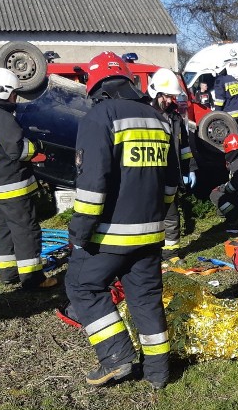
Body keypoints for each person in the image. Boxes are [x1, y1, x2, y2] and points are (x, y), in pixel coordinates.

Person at [65, 52, 179, 388]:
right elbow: (172, 181)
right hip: (150, 234)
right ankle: (158, 373)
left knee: (81, 286)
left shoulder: (100, 117)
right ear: (128, 82)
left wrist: (79, 233)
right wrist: (159, 215)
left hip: (108, 236)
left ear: (96, 86)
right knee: (145, 297)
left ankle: (116, 355)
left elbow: (92, 184)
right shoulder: (159, 119)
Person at [0, 68, 57, 291]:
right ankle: (33, 279)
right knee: (25, 230)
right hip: (14, 187)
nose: (15, 98)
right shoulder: (1, 116)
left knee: (4, 230)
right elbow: (17, 149)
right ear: (3, 92)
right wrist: (37, 147)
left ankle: (8, 273)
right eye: (13, 93)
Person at [147, 68, 198, 261]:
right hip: (149, 175)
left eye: (171, 97)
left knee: (171, 214)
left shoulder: (174, 117)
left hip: (170, 174)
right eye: (166, 97)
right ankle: (149, 253)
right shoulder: (144, 114)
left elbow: (184, 147)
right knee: (149, 216)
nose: (170, 101)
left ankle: (171, 253)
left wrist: (190, 169)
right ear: (155, 92)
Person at [213, 69, 238, 133]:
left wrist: (216, 114)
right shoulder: (233, 79)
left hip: (230, 114)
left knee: (230, 136)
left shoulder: (220, 80)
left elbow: (220, 100)